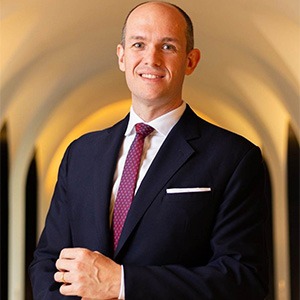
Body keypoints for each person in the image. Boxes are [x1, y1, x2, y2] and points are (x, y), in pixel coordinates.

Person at [29, 1, 269, 299]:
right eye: (138, 44)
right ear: (122, 55)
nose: (151, 59)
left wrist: (122, 283)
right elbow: (47, 262)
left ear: (191, 60)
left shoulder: (234, 157)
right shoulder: (80, 154)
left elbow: (241, 278)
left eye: (167, 46)